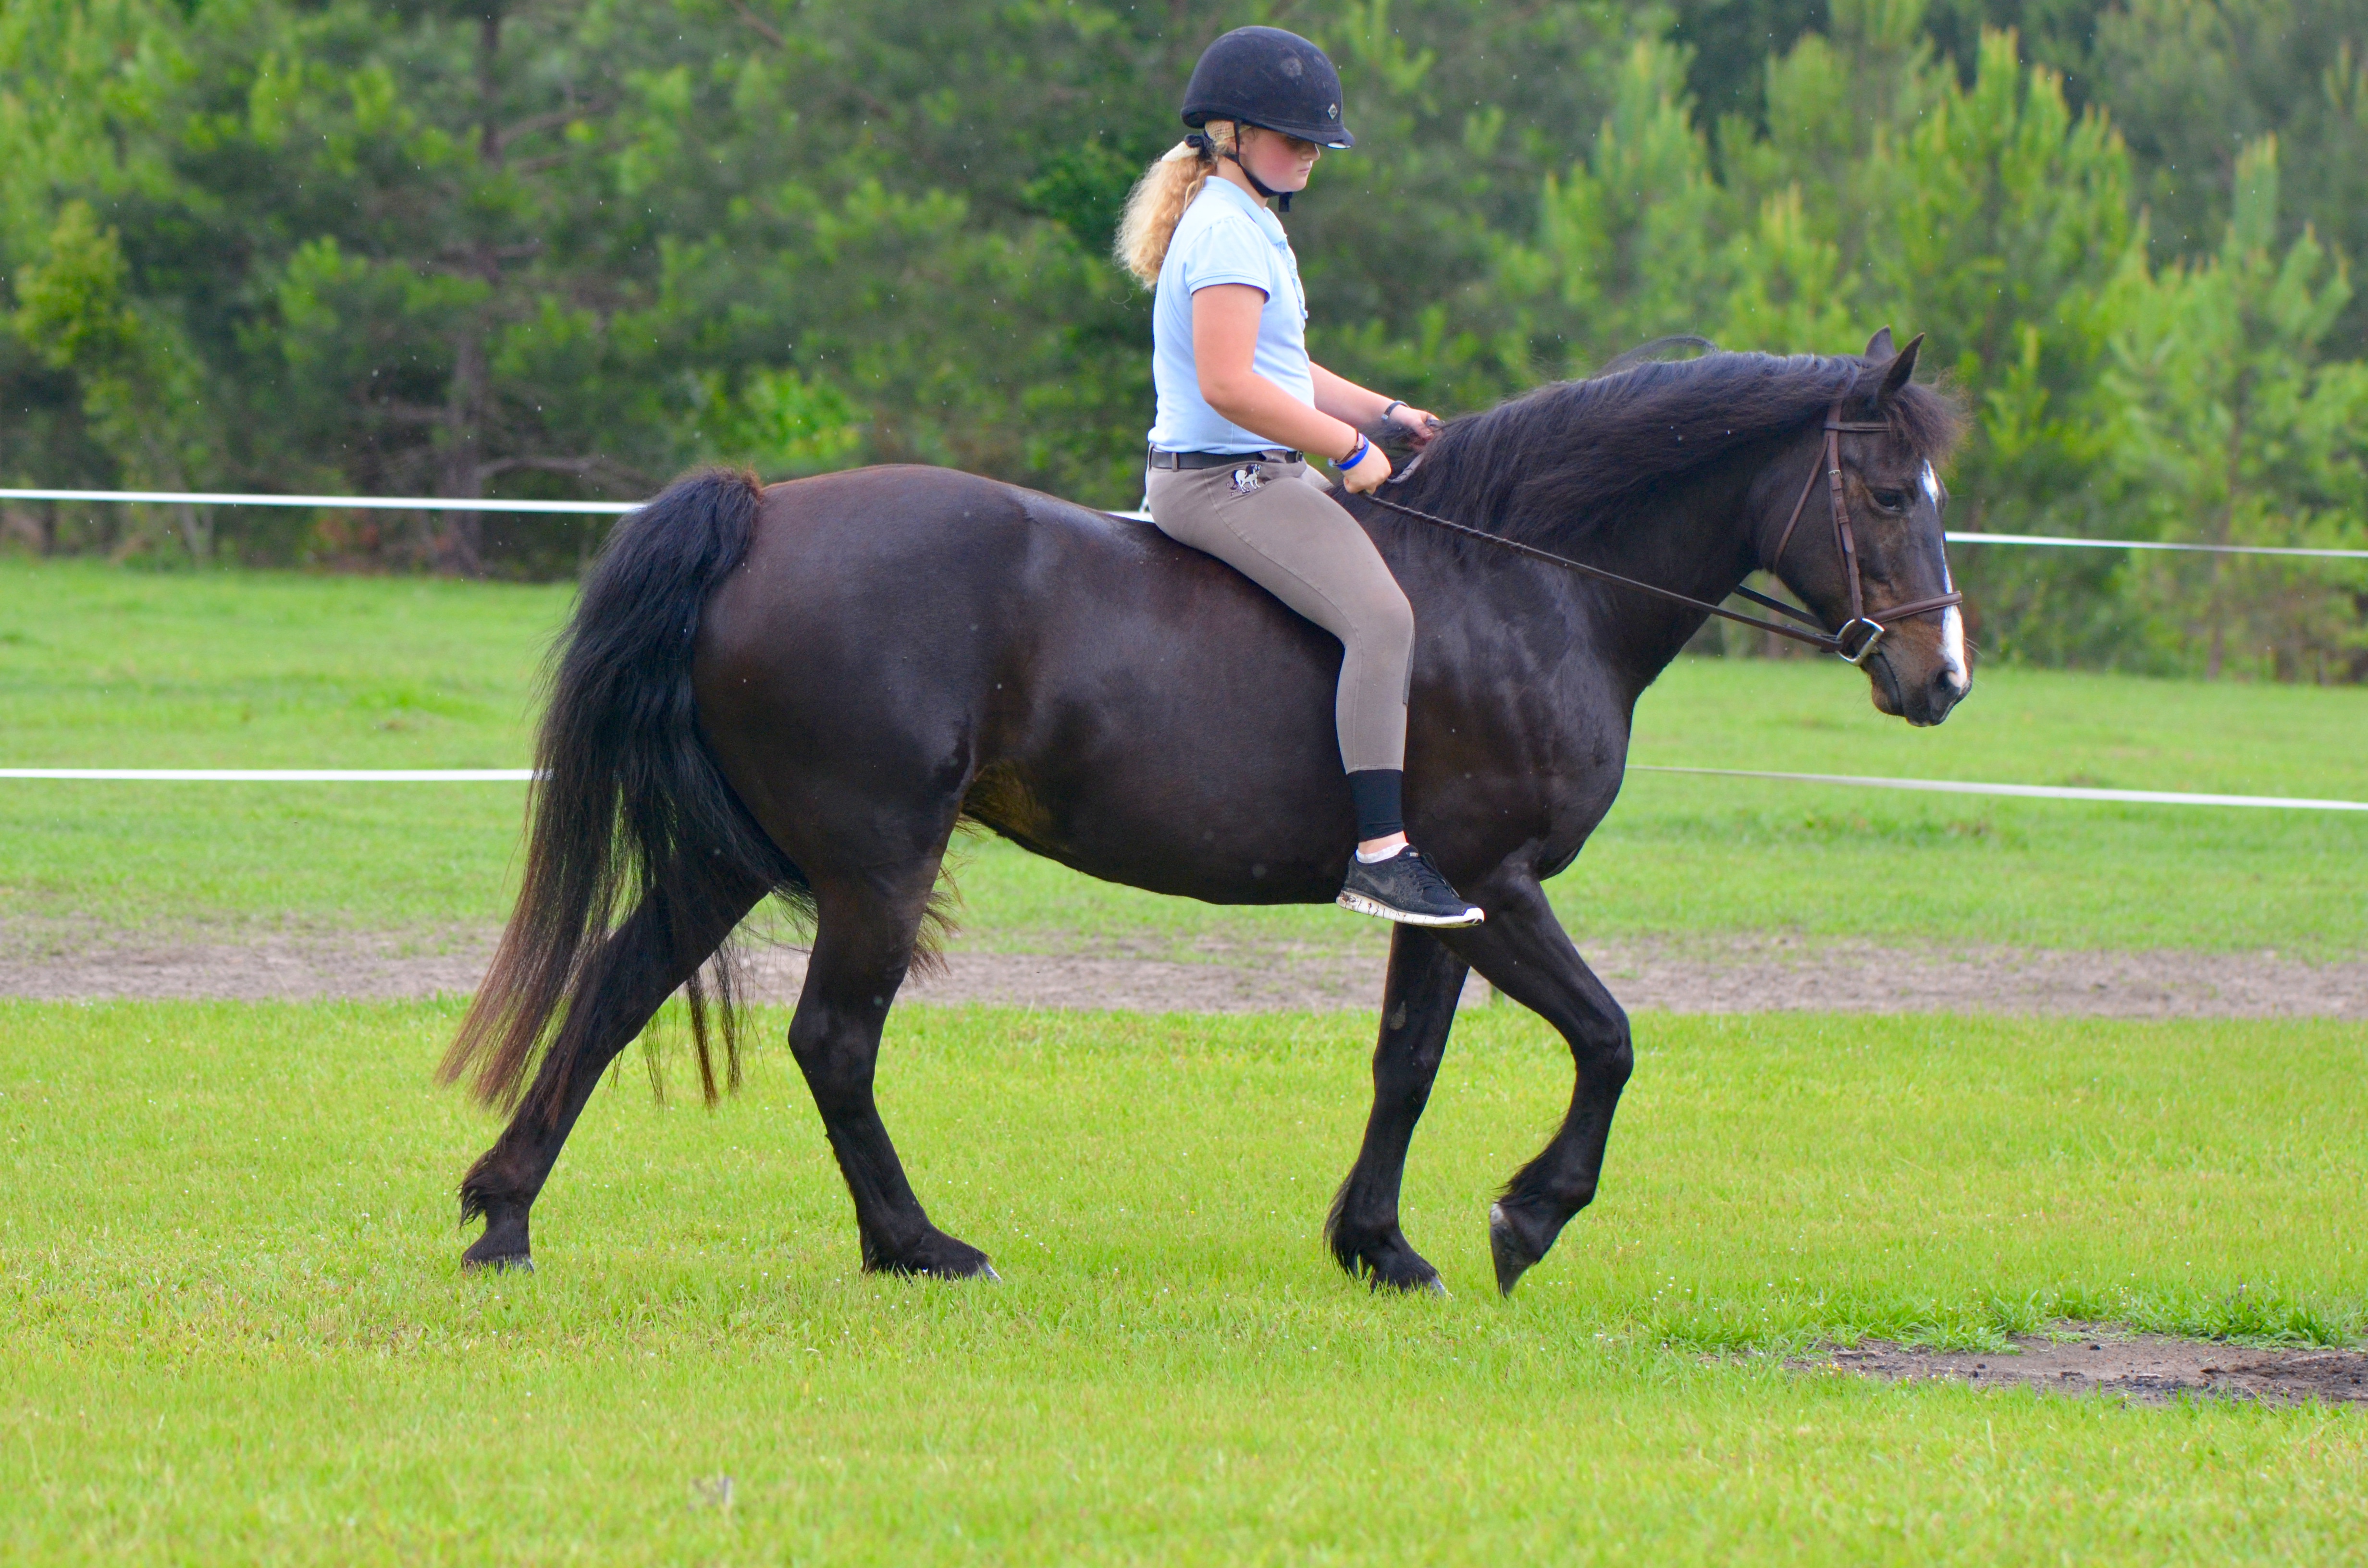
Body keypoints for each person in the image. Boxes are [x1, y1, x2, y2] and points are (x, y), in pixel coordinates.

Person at [1114, 25, 1483, 928]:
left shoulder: (1249, 222)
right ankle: (1381, 855)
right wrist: (1347, 450)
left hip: (1255, 469)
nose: (1312, 153)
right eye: (1295, 138)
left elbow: (1283, 367)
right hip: (1221, 482)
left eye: (1319, 141)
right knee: (1383, 618)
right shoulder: (1227, 232)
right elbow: (1230, 385)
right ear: (1232, 135)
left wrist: (1384, 411)